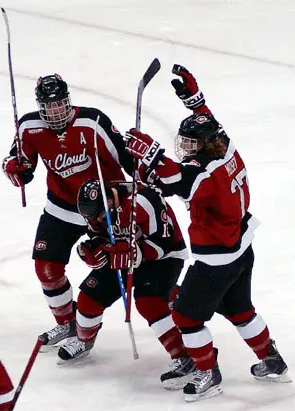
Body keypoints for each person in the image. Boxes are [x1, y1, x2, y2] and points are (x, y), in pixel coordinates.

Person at [124, 65, 291, 401]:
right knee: (239, 307)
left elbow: (175, 181)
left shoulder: (207, 178)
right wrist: (195, 102)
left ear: (203, 146)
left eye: (189, 143)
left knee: (186, 315)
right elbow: (209, 129)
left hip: (218, 259)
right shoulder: (225, 149)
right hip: (241, 248)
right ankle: (272, 362)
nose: (184, 147)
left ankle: (207, 373)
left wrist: (152, 155)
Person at [1, 74, 134, 351]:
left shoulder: (93, 122)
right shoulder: (29, 126)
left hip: (102, 209)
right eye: (49, 106)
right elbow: (20, 165)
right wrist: (15, 170)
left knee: (120, 269)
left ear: (68, 101)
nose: (55, 112)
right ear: (40, 106)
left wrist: (139, 181)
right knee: (46, 269)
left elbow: (127, 160)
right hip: (61, 207)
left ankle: (89, 328)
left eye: (60, 104)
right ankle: (67, 321)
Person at [56, 179, 195, 389]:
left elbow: (164, 243)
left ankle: (185, 357)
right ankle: (85, 340)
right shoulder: (95, 211)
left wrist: (134, 254)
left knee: (148, 302)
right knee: (88, 298)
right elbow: (99, 236)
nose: (97, 220)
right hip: (121, 254)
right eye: (92, 218)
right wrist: (94, 250)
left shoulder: (143, 200)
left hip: (163, 257)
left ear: (110, 201)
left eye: (100, 215)